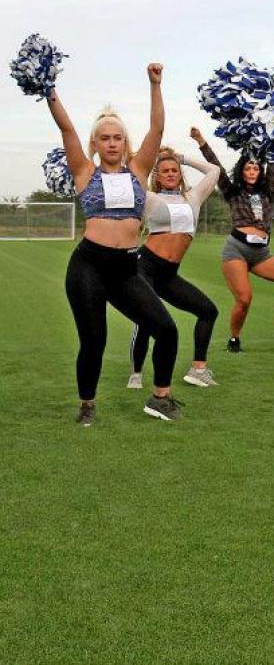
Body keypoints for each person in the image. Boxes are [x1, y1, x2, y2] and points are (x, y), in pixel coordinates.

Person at [45, 63, 183, 425]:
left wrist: (155, 84)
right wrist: (48, 89)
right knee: (94, 342)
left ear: (125, 143)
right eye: (104, 138)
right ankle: (87, 405)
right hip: (88, 266)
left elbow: (158, 128)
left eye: (117, 138)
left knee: (166, 329)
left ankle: (160, 398)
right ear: (95, 144)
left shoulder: (138, 171)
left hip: (125, 269)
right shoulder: (84, 172)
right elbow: (66, 127)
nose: (111, 143)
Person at [192, 128, 274, 353]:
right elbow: (217, 168)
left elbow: (273, 161)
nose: (252, 171)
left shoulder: (268, 191)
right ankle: (234, 338)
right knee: (245, 298)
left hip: (261, 254)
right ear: (242, 170)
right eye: (248, 167)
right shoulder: (232, 191)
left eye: (256, 167)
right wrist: (201, 141)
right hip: (236, 250)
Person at [127, 140, 221, 389]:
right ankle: (136, 373)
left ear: (180, 174)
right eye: (165, 171)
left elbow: (214, 171)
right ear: (157, 177)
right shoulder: (149, 198)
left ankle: (198, 370)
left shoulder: (194, 197)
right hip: (145, 268)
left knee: (208, 311)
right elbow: (131, 172)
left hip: (169, 275)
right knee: (147, 320)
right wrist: (147, 158)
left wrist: (181, 157)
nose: (170, 174)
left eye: (174, 170)